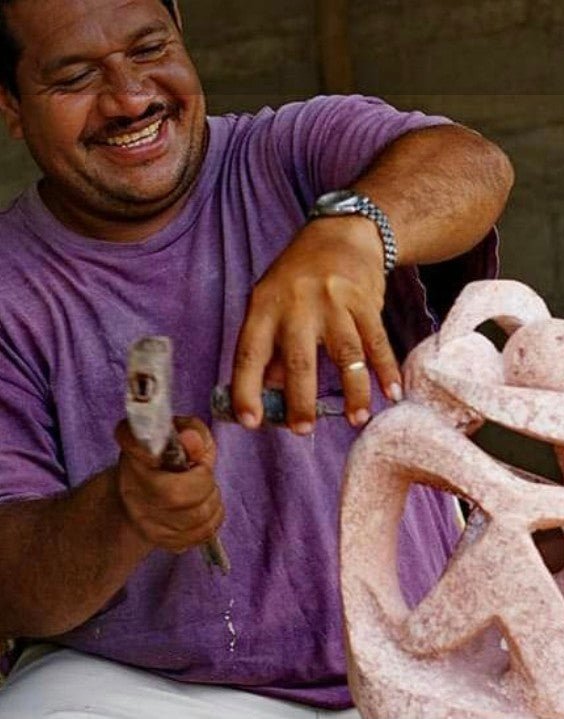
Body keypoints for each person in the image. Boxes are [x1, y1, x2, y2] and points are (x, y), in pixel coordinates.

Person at [0, 0, 514, 716]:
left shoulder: (293, 149)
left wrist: (353, 233)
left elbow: (474, 165)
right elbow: (15, 582)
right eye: (74, 77)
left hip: (426, 651)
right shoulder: (9, 286)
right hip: (153, 685)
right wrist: (124, 508)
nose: (130, 98)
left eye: (150, 49)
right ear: (11, 106)